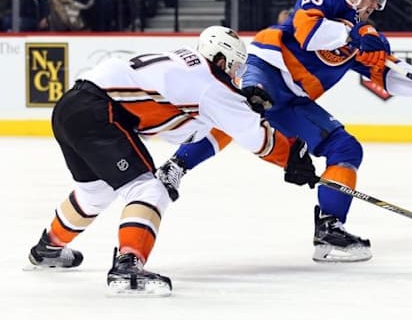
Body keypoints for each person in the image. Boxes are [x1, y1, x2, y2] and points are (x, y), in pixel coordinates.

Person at [155, 0, 412, 262]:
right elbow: (307, 31)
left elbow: (392, 73)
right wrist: (353, 36)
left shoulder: (367, 38)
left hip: (295, 101)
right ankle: (176, 167)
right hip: (265, 69)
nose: (374, 5)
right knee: (246, 111)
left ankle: (329, 230)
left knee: (345, 148)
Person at [26, 26, 318, 296]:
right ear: (220, 59)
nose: (236, 74)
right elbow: (257, 139)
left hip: (70, 107)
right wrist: (292, 157)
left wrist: (239, 103)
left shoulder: (184, 62)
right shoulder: (212, 83)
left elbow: (186, 132)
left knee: (95, 193)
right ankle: (128, 266)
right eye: (234, 66)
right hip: (100, 112)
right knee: (149, 190)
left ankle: (48, 247)